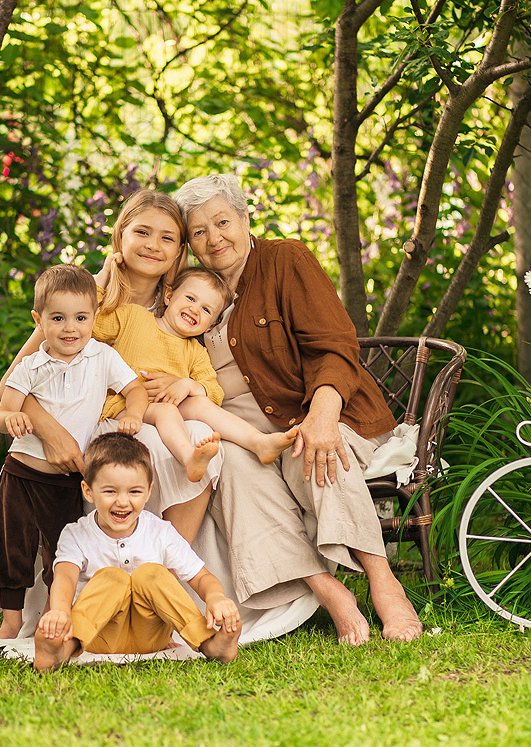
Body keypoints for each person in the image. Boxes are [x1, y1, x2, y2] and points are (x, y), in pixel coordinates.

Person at [171, 173, 423, 645]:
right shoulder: (191, 290)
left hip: (322, 410)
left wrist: (322, 416)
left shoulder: (285, 260)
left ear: (245, 219)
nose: (214, 238)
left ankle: (383, 580)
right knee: (229, 468)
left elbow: (335, 348)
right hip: (244, 433)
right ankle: (327, 589)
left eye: (222, 222)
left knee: (316, 448)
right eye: (199, 231)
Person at [0, 263, 148, 640]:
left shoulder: (102, 357)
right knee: (13, 549)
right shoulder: (31, 366)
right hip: (21, 473)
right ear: (39, 320)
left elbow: (135, 389)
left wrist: (134, 413)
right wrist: (12, 418)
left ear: (94, 316)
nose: (70, 328)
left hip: (64, 480)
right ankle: (11, 622)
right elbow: (1, 414)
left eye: (80, 318)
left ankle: (53, 616)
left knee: (60, 552)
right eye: (58, 318)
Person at [33, 433, 241, 670]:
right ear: (88, 491)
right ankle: (63, 648)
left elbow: (202, 577)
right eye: (110, 491)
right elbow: (65, 577)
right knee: (112, 577)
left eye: (134, 492)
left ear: (149, 491)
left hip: (151, 636)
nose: (123, 502)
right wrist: (60, 611)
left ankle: (209, 644)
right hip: (99, 636)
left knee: (151, 573)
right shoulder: (76, 534)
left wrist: (216, 598)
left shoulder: (160, 532)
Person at [98, 266, 300, 481]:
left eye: (206, 310)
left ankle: (258, 442)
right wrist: (102, 278)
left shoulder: (196, 351)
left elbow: (214, 393)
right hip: (123, 405)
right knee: (166, 411)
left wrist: (188, 384)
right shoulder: (133, 316)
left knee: (198, 404)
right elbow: (94, 323)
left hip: (166, 406)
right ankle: (188, 457)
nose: (195, 309)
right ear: (168, 296)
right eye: (190, 298)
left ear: (211, 325)